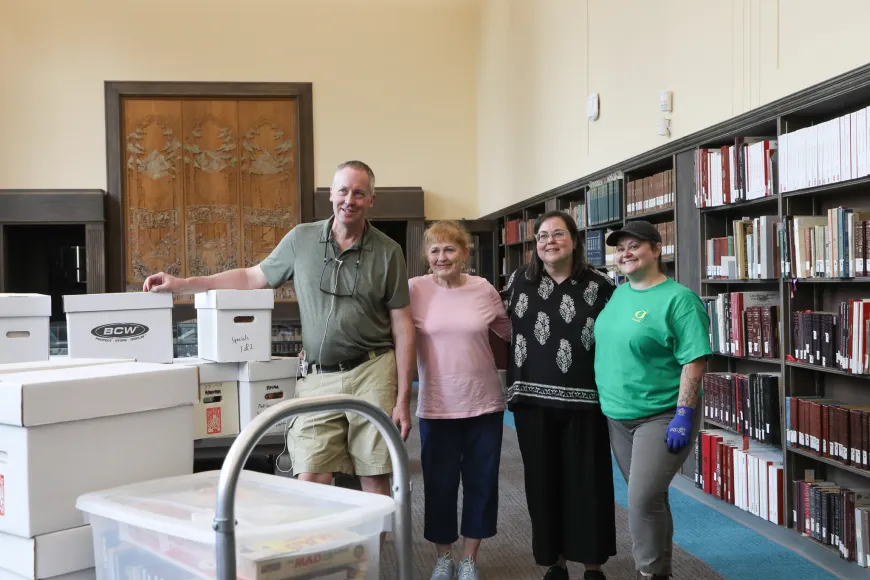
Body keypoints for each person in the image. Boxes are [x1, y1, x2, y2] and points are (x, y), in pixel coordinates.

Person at [142, 160, 415, 501]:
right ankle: (319, 554)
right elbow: (249, 277)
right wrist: (182, 285)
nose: (350, 200)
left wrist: (403, 398)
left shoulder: (389, 252)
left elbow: (403, 327)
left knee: (374, 475)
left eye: (359, 193)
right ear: (331, 194)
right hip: (318, 375)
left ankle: (373, 554)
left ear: (371, 200)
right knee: (310, 475)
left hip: (373, 371)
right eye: (343, 191)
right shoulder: (301, 239)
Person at [501, 210, 617, 580]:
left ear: (575, 239)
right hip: (532, 402)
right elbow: (494, 325)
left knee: (588, 484)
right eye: (542, 236)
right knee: (542, 482)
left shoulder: (602, 285)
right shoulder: (519, 279)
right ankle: (556, 561)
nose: (549, 241)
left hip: (587, 402)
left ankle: (593, 564)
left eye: (558, 234)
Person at [592, 220, 711, 580]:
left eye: (634, 246)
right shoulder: (619, 293)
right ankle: (660, 572)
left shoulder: (679, 300)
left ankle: (647, 573)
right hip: (617, 416)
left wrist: (684, 414)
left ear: (657, 249)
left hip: (659, 417)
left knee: (641, 500)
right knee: (651, 500)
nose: (625, 253)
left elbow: (694, 360)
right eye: (620, 248)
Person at [408, 220, 511, 580]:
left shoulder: (483, 289)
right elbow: (391, 335)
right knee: (439, 484)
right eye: (434, 250)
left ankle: (469, 558)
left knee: (481, 482)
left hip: (484, 403)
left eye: (449, 249)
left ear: (465, 253)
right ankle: (443, 557)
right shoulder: (413, 290)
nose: (441, 257)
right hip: (436, 405)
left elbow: (512, 331)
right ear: (426, 255)